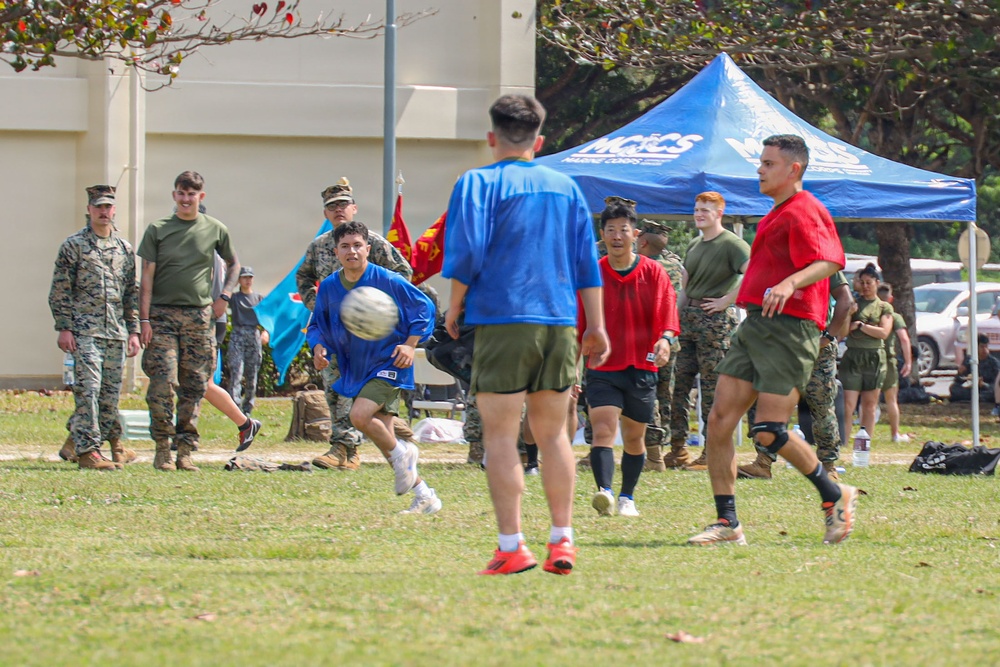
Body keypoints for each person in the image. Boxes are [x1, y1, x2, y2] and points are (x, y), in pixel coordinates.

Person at [443, 94, 610, 575]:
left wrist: (455, 304)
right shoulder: (566, 187)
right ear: (539, 141)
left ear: (492, 138)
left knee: (500, 435)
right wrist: (595, 326)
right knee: (554, 432)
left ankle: (512, 546)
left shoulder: (475, 182)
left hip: (501, 317)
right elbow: (585, 264)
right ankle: (563, 541)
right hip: (559, 321)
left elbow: (467, 251)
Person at [687, 134, 858, 547]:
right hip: (756, 324)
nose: (759, 169)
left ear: (793, 169)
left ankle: (836, 495)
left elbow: (831, 259)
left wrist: (790, 282)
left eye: (767, 163)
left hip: (791, 327)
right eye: (760, 162)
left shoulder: (806, 209)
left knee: (768, 431)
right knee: (719, 422)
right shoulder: (777, 212)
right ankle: (727, 523)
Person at [307, 221, 441, 514]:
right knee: (387, 443)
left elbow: (424, 308)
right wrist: (318, 348)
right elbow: (317, 324)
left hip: (391, 362)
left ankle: (407, 455)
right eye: (345, 246)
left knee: (359, 416)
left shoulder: (387, 279)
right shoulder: (330, 286)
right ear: (336, 251)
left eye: (357, 245)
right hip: (358, 366)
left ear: (368, 249)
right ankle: (425, 495)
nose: (352, 251)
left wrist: (409, 344)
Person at [296, 178, 413, 471]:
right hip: (337, 332)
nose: (338, 211)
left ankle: (382, 441)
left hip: (371, 333)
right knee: (336, 386)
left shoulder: (370, 242)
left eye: (343, 205)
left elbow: (403, 272)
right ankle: (344, 448)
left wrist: (379, 308)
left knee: (371, 392)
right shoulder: (320, 247)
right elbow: (304, 278)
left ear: (354, 208)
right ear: (325, 214)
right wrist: (318, 306)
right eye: (332, 207)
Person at [138, 171, 239, 471]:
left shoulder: (215, 229)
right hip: (162, 315)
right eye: (181, 194)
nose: (186, 199)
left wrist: (225, 296)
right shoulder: (158, 229)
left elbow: (234, 263)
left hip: (199, 316)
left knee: (194, 384)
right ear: (174, 196)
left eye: (191, 194)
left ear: (200, 197)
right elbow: (146, 277)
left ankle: (185, 450)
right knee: (162, 383)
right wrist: (144, 320)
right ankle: (162, 448)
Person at [583, 199, 678, 517]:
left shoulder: (653, 272)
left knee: (635, 438)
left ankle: (627, 497)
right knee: (603, 429)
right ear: (603, 234)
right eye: (611, 230)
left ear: (636, 234)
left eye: (623, 229)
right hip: (602, 366)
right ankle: (605, 493)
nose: (617, 236)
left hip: (641, 365)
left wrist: (665, 339)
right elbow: (579, 321)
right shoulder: (593, 275)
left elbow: (667, 315)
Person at [49, 185, 142, 470]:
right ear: (89, 210)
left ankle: (74, 444)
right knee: (88, 391)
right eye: (98, 207)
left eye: (108, 207)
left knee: (109, 397)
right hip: (84, 332)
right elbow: (60, 290)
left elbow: (130, 294)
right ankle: (89, 452)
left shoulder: (124, 249)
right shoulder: (74, 245)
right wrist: (64, 328)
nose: (104, 212)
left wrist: (134, 331)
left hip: (115, 332)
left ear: (114, 211)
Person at [738, 271, 853, 480]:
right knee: (770, 402)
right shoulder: (776, 259)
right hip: (780, 344)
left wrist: (828, 336)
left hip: (817, 344)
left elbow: (846, 300)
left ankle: (828, 466)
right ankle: (763, 462)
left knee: (821, 406)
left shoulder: (821, 263)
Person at [669, 192, 750, 470]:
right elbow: (685, 288)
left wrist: (727, 301)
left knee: (712, 389)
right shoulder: (694, 243)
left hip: (714, 322)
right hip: (688, 319)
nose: (699, 213)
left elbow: (753, 274)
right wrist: (673, 321)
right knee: (677, 386)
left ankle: (710, 451)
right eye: (696, 208)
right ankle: (677, 448)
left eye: (705, 209)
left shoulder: (732, 244)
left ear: (719, 213)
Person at [635, 217, 684, 472]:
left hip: (649, 340)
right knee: (666, 394)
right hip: (671, 339)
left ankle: (653, 454)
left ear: (642, 241)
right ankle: (666, 448)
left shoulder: (642, 267)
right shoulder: (675, 264)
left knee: (648, 394)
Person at [840, 263, 893, 442]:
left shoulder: (883, 307)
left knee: (869, 405)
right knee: (848, 404)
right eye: (861, 282)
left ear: (877, 283)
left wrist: (861, 326)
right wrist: (849, 316)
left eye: (869, 282)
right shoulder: (853, 304)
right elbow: (842, 333)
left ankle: (865, 442)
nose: (865, 286)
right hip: (853, 356)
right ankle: (845, 441)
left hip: (874, 356)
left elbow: (883, 333)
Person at [227, 266, 266, 416]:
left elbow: (268, 318)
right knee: (237, 371)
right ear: (239, 280)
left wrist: (266, 332)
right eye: (244, 277)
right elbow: (222, 296)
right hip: (238, 333)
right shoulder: (235, 298)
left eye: (250, 277)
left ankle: (248, 407)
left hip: (253, 334)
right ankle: (234, 407)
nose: (247, 280)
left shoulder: (258, 298)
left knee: (252, 375)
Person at [878, 283, 913, 442]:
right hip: (888, 360)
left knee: (868, 401)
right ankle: (895, 434)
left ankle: (865, 433)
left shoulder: (868, 314)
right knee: (891, 399)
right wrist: (908, 361)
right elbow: (904, 339)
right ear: (890, 299)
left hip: (869, 359)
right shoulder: (894, 316)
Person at [950, 333, 1000, 404]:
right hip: (971, 388)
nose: (984, 350)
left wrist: (983, 384)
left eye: (986, 347)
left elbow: (997, 383)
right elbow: (959, 381)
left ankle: (977, 399)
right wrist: (960, 373)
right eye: (982, 347)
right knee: (954, 388)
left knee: (993, 392)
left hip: (987, 389)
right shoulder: (969, 360)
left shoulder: (993, 363)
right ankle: (974, 398)